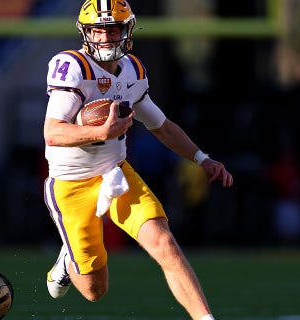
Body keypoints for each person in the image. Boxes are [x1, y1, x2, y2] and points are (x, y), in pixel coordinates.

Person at [42, 1, 234, 320]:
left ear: (126, 31)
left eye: (112, 29)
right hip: (70, 184)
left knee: (164, 243)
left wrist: (202, 158)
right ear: (86, 33)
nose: (105, 38)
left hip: (115, 175)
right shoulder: (73, 67)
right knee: (94, 290)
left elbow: (162, 126)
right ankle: (67, 262)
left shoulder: (132, 70)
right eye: (97, 31)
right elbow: (52, 132)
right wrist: (99, 133)